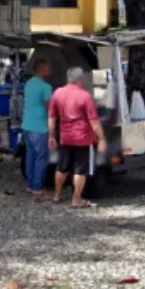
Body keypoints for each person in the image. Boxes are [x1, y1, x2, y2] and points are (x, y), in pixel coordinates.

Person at [48, 67, 107, 208]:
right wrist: (101, 138)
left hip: (65, 137)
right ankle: (76, 199)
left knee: (61, 167)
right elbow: (94, 121)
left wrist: (51, 136)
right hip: (83, 138)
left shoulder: (57, 93)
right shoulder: (85, 96)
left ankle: (57, 195)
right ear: (80, 79)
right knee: (80, 170)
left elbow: (52, 117)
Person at [22, 60, 53, 196]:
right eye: (48, 67)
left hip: (27, 125)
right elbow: (50, 107)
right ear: (41, 69)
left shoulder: (28, 84)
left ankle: (30, 184)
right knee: (41, 157)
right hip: (39, 126)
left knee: (31, 156)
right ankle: (37, 187)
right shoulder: (46, 87)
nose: (50, 69)